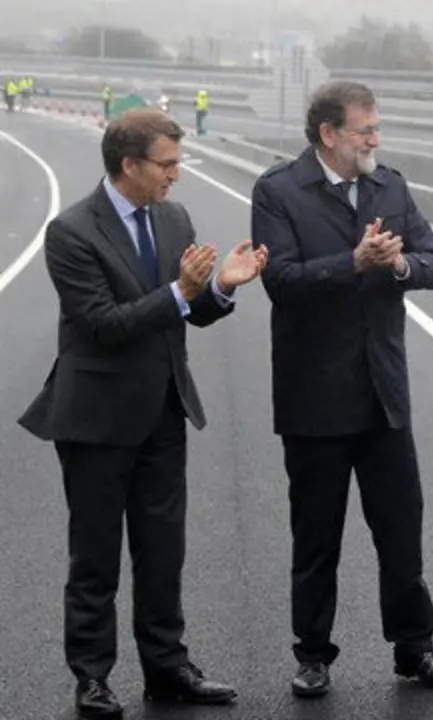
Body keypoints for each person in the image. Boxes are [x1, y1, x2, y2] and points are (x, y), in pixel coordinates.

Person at [18, 108, 268, 719]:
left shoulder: (173, 216)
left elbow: (190, 312)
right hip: (97, 420)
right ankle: (93, 677)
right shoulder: (72, 232)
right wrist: (182, 292)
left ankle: (167, 667)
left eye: (177, 164)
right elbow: (102, 325)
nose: (176, 176)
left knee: (163, 551)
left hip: (162, 410)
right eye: (168, 164)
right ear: (129, 165)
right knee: (96, 558)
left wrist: (221, 288)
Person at [250, 80, 433, 698]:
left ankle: (415, 648)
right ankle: (313, 654)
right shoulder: (279, 190)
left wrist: (397, 265)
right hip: (314, 398)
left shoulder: (389, 185)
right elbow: (281, 281)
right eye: (365, 129)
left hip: (383, 395)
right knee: (316, 539)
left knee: (401, 532)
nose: (375, 139)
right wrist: (354, 262)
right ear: (328, 134)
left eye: (376, 128)